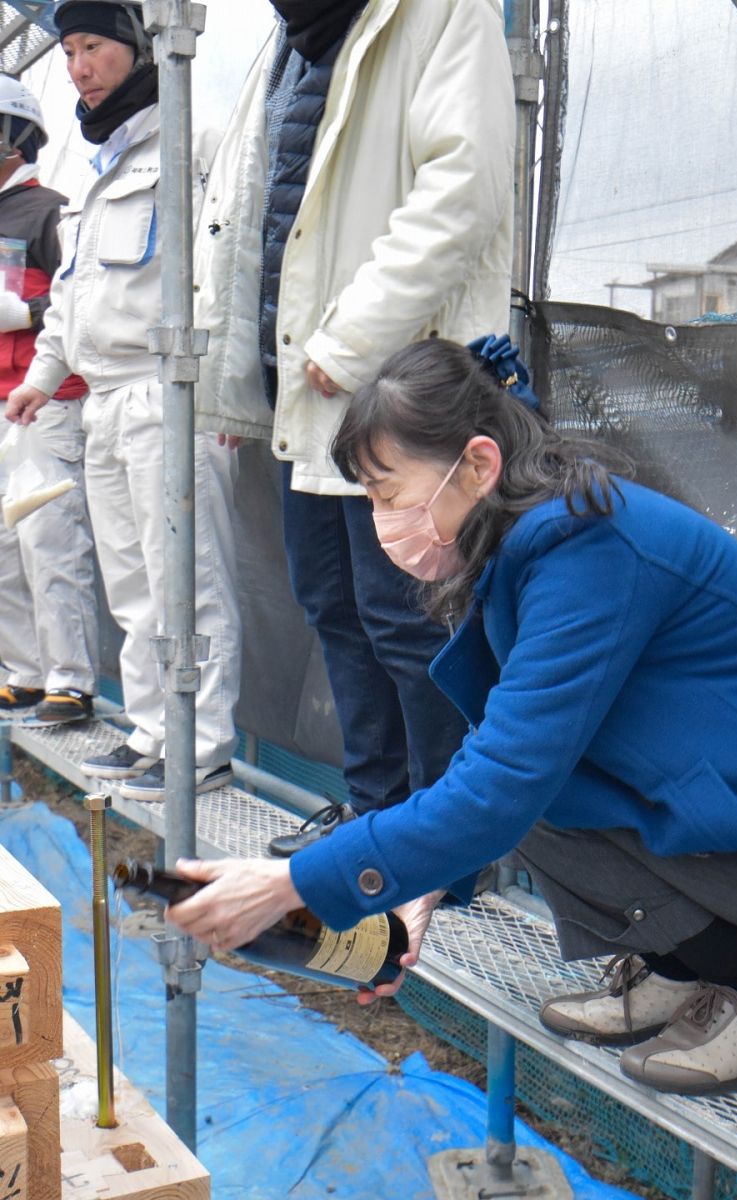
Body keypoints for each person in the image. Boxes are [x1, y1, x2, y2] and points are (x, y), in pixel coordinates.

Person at [167, 335, 737, 1098]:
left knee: (521, 800)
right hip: (722, 806)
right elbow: (500, 756)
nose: (379, 520)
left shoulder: (589, 549)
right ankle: (675, 970)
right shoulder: (539, 537)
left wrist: (291, 883)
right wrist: (417, 886)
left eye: (389, 492)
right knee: (527, 796)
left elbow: (501, 786)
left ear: (477, 464)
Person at [193, 0, 516, 852]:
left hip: (397, 382)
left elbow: (464, 186)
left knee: (409, 616)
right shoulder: (288, 47)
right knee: (333, 603)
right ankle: (378, 810)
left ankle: (446, 839)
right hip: (309, 383)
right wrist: (240, 382)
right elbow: (255, 216)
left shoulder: (441, 14)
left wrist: (350, 339)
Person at [6, 0, 241, 800]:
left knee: (188, 576)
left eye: (94, 46)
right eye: (69, 50)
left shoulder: (194, 146)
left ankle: (200, 745)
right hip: (105, 400)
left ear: (138, 50)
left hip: (169, 392)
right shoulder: (104, 169)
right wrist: (42, 378)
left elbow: (227, 267)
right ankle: (152, 730)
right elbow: (73, 295)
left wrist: (223, 387)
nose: (78, 65)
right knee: (133, 581)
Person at [0, 74, 98, 724]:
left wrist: (25, 312)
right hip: (3, 405)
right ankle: (24, 671)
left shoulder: (50, 212)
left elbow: (81, 301)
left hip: (47, 401)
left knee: (48, 538)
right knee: (4, 547)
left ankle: (70, 678)